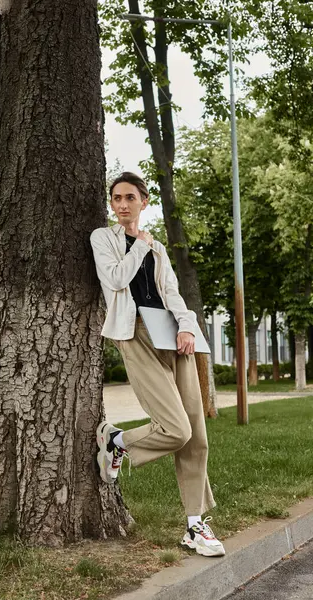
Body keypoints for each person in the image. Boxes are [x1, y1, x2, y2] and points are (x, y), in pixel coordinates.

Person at [90, 172, 225, 558]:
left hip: (174, 335)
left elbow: (172, 293)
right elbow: (115, 279)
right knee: (176, 429)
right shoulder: (104, 239)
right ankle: (116, 442)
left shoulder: (159, 248)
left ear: (144, 201)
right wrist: (140, 247)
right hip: (134, 333)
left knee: (196, 436)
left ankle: (194, 526)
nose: (122, 205)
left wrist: (187, 327)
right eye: (116, 198)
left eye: (130, 197)